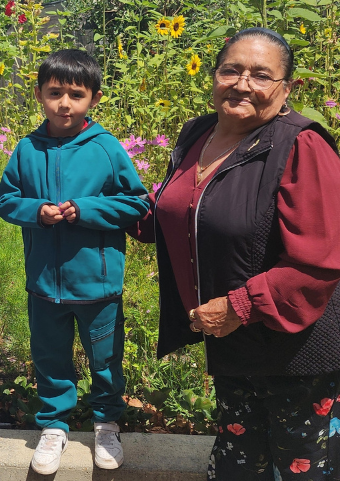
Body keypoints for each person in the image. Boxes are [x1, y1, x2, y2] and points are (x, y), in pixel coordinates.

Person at [129, 28, 340, 480]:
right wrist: (112, 209)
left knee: (301, 470)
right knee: (237, 468)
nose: (243, 84)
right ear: (214, 76)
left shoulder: (301, 145)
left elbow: (321, 259)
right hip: (231, 343)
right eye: (232, 70)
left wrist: (241, 305)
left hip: (294, 352)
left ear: (286, 89)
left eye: (261, 75)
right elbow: (180, 208)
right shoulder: (197, 133)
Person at [0, 49, 149, 474]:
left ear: (93, 99)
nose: (65, 103)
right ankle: (54, 426)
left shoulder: (105, 148)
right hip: (44, 284)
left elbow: (136, 203)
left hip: (97, 284)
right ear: (40, 95)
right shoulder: (27, 149)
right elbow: (6, 201)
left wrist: (85, 209)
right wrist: (36, 212)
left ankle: (106, 423)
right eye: (55, 93)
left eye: (76, 95)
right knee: (50, 357)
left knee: (105, 358)